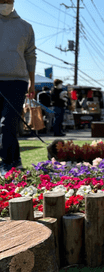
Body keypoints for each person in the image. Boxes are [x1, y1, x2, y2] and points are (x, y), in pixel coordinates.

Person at [0, 0, 36, 176]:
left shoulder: (25, 27)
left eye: (7, 0)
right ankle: (16, 160)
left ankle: (6, 163)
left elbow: (30, 55)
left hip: (17, 81)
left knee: (7, 122)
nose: (4, 3)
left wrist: (32, 82)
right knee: (8, 125)